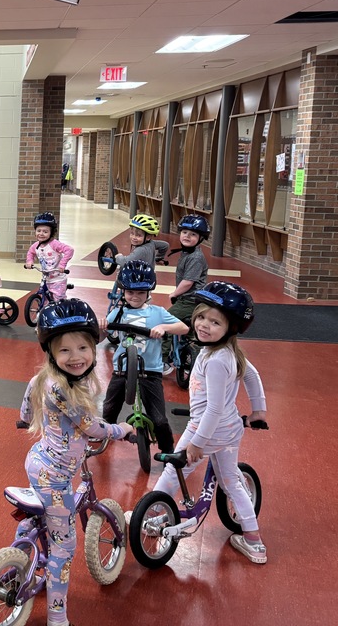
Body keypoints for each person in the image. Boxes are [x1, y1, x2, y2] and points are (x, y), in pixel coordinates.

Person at [19, 299, 133, 626]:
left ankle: (25, 553)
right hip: (55, 476)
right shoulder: (64, 391)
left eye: (83, 347)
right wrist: (121, 430)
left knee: (40, 517)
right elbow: (92, 427)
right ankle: (57, 616)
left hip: (40, 463)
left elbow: (28, 396)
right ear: (52, 353)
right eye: (65, 350)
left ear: (94, 349)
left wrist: (24, 418)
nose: (76, 356)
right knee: (65, 549)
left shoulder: (46, 379)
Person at [147, 282, 268, 563]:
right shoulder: (229, 352)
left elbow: (212, 408)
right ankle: (254, 541)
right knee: (232, 483)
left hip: (206, 428)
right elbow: (252, 376)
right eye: (201, 317)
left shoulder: (214, 359)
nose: (204, 325)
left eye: (215, 322)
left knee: (173, 471)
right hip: (230, 429)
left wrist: (197, 443)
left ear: (231, 328)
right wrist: (259, 411)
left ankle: (151, 515)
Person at [99, 261, 188, 454]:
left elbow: (184, 328)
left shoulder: (158, 312)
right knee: (109, 407)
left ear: (148, 293)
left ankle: (168, 452)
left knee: (159, 419)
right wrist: (102, 326)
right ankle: (107, 434)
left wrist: (164, 328)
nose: (135, 297)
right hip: (122, 369)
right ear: (123, 292)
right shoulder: (118, 312)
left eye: (140, 293)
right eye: (130, 292)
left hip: (150, 372)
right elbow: (101, 336)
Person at [161, 215, 210, 371]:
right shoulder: (188, 252)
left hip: (190, 300)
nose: (187, 236)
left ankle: (162, 361)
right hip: (191, 300)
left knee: (167, 323)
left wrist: (174, 294)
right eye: (185, 232)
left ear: (201, 238)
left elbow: (188, 282)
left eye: (193, 234)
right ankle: (191, 358)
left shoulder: (195, 257)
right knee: (189, 332)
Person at [25, 212, 74, 302]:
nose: (41, 234)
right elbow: (30, 253)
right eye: (38, 231)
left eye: (45, 231)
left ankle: (61, 314)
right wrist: (29, 261)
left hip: (58, 279)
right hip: (46, 279)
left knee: (58, 300)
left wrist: (62, 265)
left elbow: (69, 250)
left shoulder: (54, 244)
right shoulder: (36, 246)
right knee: (45, 300)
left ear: (51, 233)